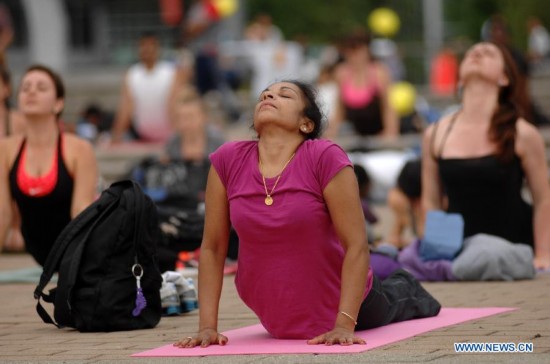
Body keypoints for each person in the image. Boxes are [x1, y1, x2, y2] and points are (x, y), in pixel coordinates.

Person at [174, 80, 440, 347]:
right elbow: (212, 247)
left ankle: (405, 283)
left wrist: (344, 325)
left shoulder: (325, 157)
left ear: (306, 124)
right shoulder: (227, 159)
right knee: (382, 261)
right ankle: (388, 258)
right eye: (265, 94)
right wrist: (207, 327)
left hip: (345, 301)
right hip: (276, 312)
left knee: (398, 297)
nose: (268, 95)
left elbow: (357, 245)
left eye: (284, 95)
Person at [421, 42, 550, 271]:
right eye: (470, 53)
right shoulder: (436, 133)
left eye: (488, 53)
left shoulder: (523, 133)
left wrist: (543, 255)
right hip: (461, 254)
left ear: (504, 78)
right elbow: (431, 201)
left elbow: (543, 199)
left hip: (515, 250)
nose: (477, 53)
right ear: (459, 79)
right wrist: (436, 255)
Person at [0, 65, 98, 266]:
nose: (31, 91)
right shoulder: (6, 150)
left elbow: (81, 213)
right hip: (38, 250)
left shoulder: (79, 149)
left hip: (75, 250)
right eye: (26, 87)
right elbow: (2, 213)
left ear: (58, 103)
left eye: (41, 87)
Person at [327, 29, 399, 139]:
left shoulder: (380, 72)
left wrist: (390, 132)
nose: (353, 55)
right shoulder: (341, 73)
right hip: (355, 135)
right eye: (350, 50)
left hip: (379, 133)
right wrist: (331, 133)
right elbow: (339, 109)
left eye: (357, 50)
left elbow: (388, 107)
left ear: (367, 51)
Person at [110, 32, 177, 143]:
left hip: (170, 134)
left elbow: (175, 106)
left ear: (158, 48)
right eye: (143, 46)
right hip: (142, 135)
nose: (147, 49)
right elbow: (126, 108)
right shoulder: (132, 74)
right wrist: (116, 137)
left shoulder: (170, 72)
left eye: (151, 46)